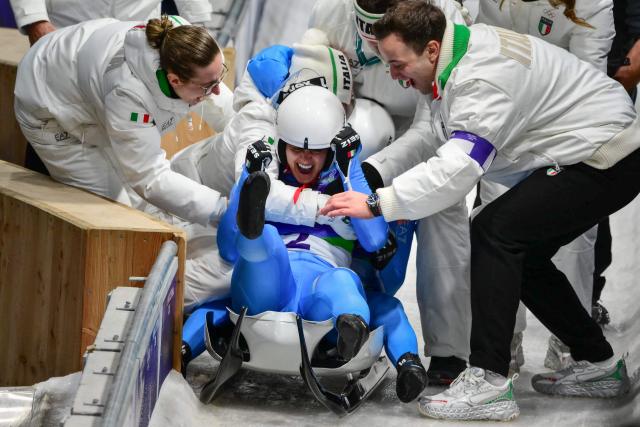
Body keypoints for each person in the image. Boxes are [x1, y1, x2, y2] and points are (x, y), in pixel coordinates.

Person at [320, 1, 637, 420]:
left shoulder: (480, 78)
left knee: (494, 230)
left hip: (607, 152)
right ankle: (598, 363)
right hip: (595, 146)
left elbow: (458, 168)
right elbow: (434, 138)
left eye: (396, 64)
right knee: (524, 251)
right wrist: (373, 173)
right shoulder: (454, 59)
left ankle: (489, 381)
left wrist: (378, 204)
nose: (393, 75)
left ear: (430, 49)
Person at [219, 85, 428, 402]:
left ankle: (351, 327)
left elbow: (375, 241)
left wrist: (351, 168)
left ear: (331, 150)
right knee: (267, 242)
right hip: (272, 287)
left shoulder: (348, 187)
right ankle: (252, 225)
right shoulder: (269, 183)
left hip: (322, 287)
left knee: (342, 281)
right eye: (296, 150)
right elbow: (227, 249)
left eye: (315, 150)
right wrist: (248, 179)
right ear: (282, 145)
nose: (304, 158)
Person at [14, 15, 235, 308]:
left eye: (220, 78)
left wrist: (248, 129)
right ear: (174, 80)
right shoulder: (128, 92)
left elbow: (217, 100)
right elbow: (150, 178)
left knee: (149, 201)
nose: (216, 90)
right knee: (122, 215)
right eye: (208, 86)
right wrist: (221, 209)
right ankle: (118, 305)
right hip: (49, 106)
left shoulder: (184, 43)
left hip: (79, 66)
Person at [307, 0, 472, 385]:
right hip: (358, 129)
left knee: (443, 213)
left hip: (429, 125)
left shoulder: (443, 13)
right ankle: (332, 311)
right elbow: (308, 92)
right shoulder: (328, 13)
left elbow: (434, 123)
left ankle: (449, 351)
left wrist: (376, 175)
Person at [474, 0, 615, 373]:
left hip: (572, 129)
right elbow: (485, 49)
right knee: (494, 218)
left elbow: (589, 82)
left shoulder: (594, 4)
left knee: (577, 235)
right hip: (506, 122)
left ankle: (572, 346)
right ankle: (504, 341)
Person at [9, 0, 213, 45]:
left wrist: (197, 22)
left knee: (136, 128)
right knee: (56, 125)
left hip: (140, 34)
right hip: (66, 32)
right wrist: (35, 20)